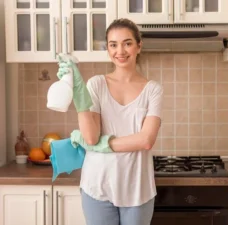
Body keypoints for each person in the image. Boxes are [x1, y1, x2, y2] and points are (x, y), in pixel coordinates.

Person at [56, 18, 163, 225]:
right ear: (108, 49)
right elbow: (90, 136)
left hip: (137, 187)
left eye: (127, 43)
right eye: (113, 45)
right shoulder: (96, 84)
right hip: (98, 185)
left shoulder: (153, 90)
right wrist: (80, 95)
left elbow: (146, 140)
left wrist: (103, 145)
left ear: (139, 46)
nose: (120, 51)